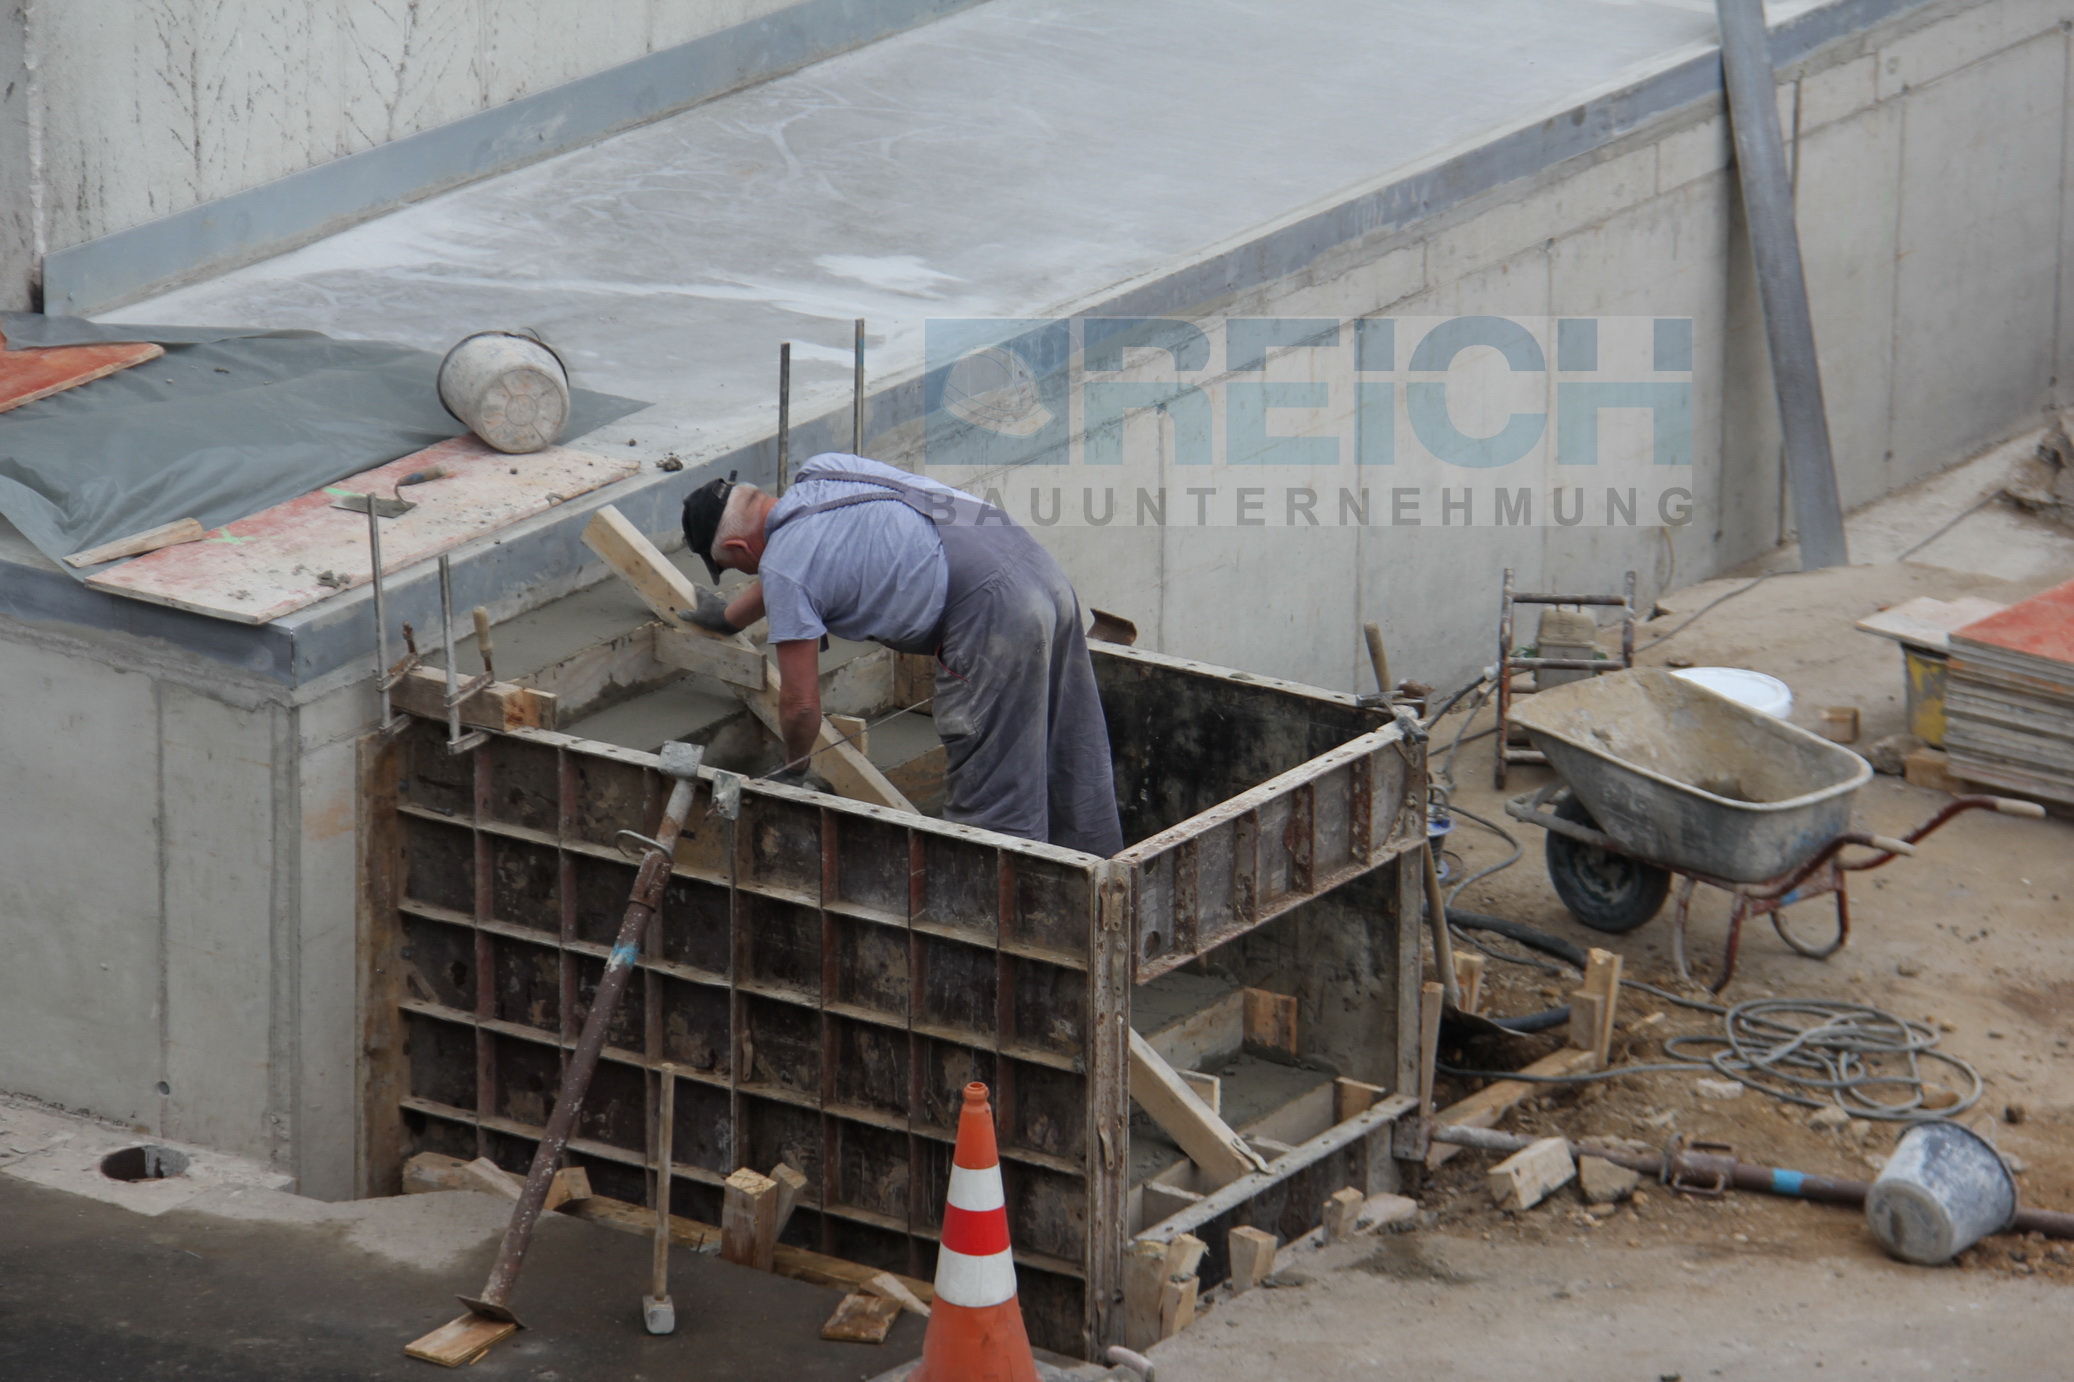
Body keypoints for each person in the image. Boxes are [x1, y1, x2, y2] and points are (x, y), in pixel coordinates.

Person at [679, 453, 1124, 857]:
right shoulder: (822, 470)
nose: (752, 573)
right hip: (1034, 565)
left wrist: (795, 769)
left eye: (738, 566)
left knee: (995, 797)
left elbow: (800, 705)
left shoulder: (783, 565)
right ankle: (1098, 874)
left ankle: (1005, 921)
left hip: (992, 614)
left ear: (738, 549)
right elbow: (794, 560)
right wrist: (732, 617)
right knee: (1070, 746)